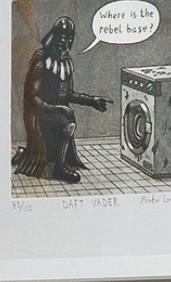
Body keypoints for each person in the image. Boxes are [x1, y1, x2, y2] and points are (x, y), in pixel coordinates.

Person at [14, 14, 108, 183]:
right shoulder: (41, 60)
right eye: (62, 37)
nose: (65, 42)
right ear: (54, 36)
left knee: (66, 115)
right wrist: (56, 108)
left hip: (54, 112)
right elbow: (33, 98)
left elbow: (68, 94)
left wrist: (92, 100)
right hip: (40, 113)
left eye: (69, 38)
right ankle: (59, 167)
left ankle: (25, 154)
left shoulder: (65, 61)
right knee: (66, 120)